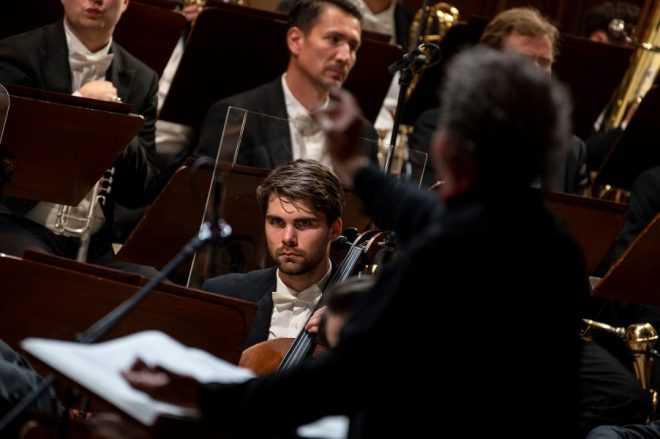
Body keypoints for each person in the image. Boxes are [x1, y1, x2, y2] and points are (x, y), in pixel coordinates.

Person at [124, 46, 589, 437]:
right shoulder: (555, 243)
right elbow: (434, 216)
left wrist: (202, 397)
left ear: (451, 146)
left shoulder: (445, 253)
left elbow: (340, 381)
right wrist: (358, 169)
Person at [0, 0, 160, 274]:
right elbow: (9, 159)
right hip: (19, 221)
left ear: (125, 3)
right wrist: (79, 105)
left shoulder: (143, 79)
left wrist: (116, 124)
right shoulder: (16, 54)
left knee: (154, 291)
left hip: (96, 240)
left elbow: (141, 191)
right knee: (38, 278)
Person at [410, 7, 589, 195]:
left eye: (544, 63)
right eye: (523, 61)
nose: (535, 73)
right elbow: (428, 208)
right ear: (489, 67)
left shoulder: (572, 151)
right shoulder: (440, 128)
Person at [194, 0, 378, 169]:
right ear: (295, 41)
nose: (345, 57)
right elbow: (214, 201)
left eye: (353, 47)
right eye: (333, 39)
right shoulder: (235, 117)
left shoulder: (363, 133)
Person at [202, 159, 343, 348]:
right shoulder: (224, 295)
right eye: (276, 222)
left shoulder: (364, 310)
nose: (287, 238)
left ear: (334, 230)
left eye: (304, 223)